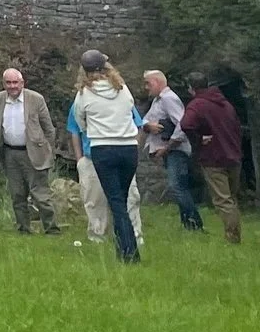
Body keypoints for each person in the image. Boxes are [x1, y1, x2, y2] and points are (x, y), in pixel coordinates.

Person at [72, 50, 144, 263]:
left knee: (116, 202)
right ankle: (126, 248)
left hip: (103, 149)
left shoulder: (84, 94)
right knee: (121, 199)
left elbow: (80, 121)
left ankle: (129, 254)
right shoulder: (122, 89)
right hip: (129, 148)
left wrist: (96, 130)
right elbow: (130, 111)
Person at [0, 67, 62, 234]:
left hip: (33, 153)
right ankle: (23, 229)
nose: (12, 86)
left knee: (41, 195)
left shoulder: (35, 99)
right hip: (10, 152)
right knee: (17, 194)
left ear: (22, 83)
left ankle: (52, 229)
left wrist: (47, 150)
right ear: (3, 84)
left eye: (15, 82)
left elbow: (49, 129)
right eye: (8, 83)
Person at [178, 73, 244, 243]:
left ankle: (233, 238)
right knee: (232, 198)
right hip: (233, 155)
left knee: (223, 200)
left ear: (191, 88)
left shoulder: (198, 105)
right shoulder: (225, 103)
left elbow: (186, 124)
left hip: (214, 157)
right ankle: (235, 234)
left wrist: (199, 139)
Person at [67, 99, 141, 241]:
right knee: (94, 199)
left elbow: (137, 125)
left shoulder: (121, 98)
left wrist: (133, 152)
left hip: (120, 156)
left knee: (130, 197)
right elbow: (75, 130)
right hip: (91, 157)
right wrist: (79, 159)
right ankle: (97, 236)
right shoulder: (81, 100)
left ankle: (134, 235)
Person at [142, 69, 201, 231]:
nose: (146, 87)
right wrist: (148, 126)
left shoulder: (169, 99)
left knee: (177, 186)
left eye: (148, 83)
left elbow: (182, 125)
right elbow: (146, 120)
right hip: (170, 150)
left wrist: (167, 148)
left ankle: (194, 224)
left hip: (176, 150)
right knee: (178, 187)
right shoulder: (157, 101)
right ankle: (189, 224)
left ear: (158, 82)